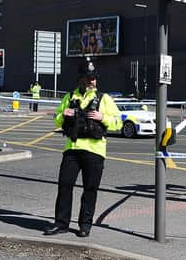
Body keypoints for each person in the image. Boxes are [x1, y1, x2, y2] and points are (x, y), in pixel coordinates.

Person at [44, 58, 122, 238]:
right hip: (72, 149)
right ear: (80, 79)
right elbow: (57, 120)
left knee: (90, 189)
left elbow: (118, 122)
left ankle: (85, 225)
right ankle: (61, 223)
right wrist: (62, 115)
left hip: (95, 151)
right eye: (88, 78)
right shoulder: (70, 97)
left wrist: (103, 117)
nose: (92, 81)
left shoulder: (104, 99)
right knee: (64, 186)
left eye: (94, 78)